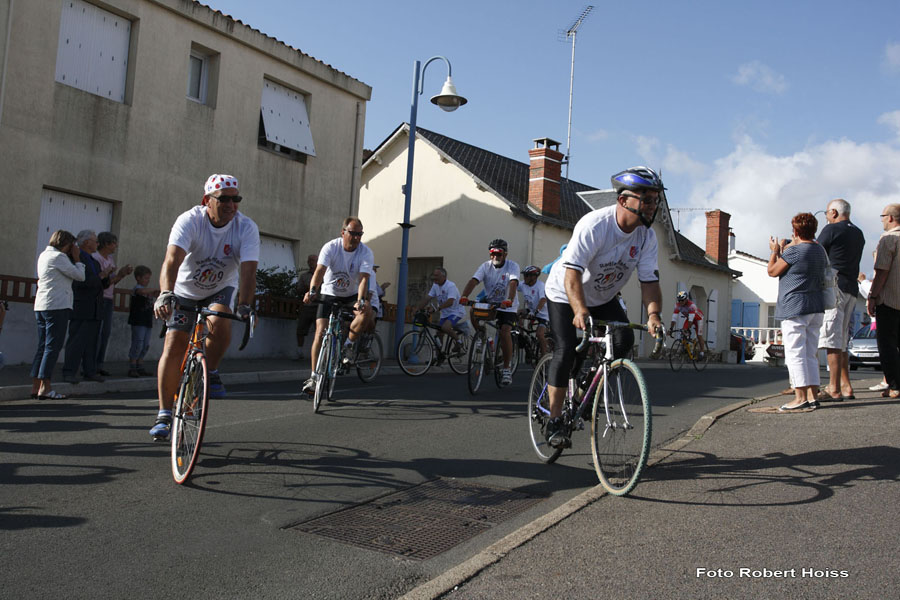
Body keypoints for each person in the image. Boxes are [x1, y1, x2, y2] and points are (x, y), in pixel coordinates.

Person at [543, 166, 665, 448]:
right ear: (624, 200)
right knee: (565, 351)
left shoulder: (647, 236)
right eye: (646, 200)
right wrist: (579, 310)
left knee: (624, 341)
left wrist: (653, 314)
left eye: (655, 200)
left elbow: (649, 281)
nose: (652, 207)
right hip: (565, 293)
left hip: (602, 296)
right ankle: (555, 419)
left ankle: (585, 392)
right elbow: (572, 273)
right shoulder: (595, 225)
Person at [150, 174, 259, 440]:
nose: (231, 205)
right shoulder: (189, 221)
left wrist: (244, 304)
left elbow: (248, 271)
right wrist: (166, 292)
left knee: (222, 315)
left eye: (236, 199)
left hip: (221, 288)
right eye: (224, 199)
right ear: (206, 201)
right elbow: (172, 260)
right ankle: (164, 413)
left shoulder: (245, 227)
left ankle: (210, 370)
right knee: (175, 343)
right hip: (186, 290)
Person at [301, 217, 375, 395]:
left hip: (350, 295)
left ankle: (348, 345)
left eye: (360, 234)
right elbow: (319, 271)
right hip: (329, 293)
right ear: (343, 232)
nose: (356, 237)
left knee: (366, 312)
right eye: (353, 233)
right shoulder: (331, 247)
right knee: (320, 332)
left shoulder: (365, 252)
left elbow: (364, 278)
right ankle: (313, 377)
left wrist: (361, 300)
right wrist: (312, 291)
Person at [767, 213, 829, 411]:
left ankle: (800, 396)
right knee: (811, 353)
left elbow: (772, 271)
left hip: (794, 306)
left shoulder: (794, 251)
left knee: (795, 354)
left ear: (795, 230)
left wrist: (775, 251)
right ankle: (813, 395)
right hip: (816, 306)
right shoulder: (820, 250)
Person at [815, 199, 865, 402]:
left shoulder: (831, 229)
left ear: (834, 212)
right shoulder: (858, 233)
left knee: (832, 340)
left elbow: (816, 253)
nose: (826, 217)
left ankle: (833, 388)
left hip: (834, 287)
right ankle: (846, 385)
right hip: (852, 287)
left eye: (826, 213)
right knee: (842, 340)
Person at [30, 231, 86, 398]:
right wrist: (77, 259)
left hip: (41, 305)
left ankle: (35, 386)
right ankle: (45, 388)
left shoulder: (44, 255)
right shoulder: (59, 257)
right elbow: (80, 276)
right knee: (52, 347)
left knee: (43, 346)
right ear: (66, 244)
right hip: (57, 306)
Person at [459, 239, 520, 386]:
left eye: (498, 253)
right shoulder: (485, 266)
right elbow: (474, 281)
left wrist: (510, 299)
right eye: (492, 253)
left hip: (508, 306)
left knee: (505, 331)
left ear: (505, 254)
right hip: (491, 304)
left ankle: (506, 368)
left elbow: (513, 283)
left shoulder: (513, 266)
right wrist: (464, 296)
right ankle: (481, 335)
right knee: (473, 310)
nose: (495, 257)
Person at [62, 230, 115, 384]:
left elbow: (101, 284)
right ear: (86, 242)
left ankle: (89, 370)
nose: (97, 244)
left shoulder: (94, 261)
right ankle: (69, 371)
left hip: (95, 307)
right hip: (82, 306)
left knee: (92, 341)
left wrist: (108, 276)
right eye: (95, 241)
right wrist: (101, 276)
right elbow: (81, 281)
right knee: (77, 340)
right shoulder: (77, 259)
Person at [867, 204, 900, 399]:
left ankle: (895, 385)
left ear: (890, 218)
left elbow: (882, 270)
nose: (881, 220)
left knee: (887, 344)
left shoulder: (888, 239)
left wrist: (872, 296)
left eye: (882, 216)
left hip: (889, 299)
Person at [92, 232, 133, 376]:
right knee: (96, 333)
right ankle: (92, 365)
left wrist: (121, 274)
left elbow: (112, 281)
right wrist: (119, 274)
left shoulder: (110, 259)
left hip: (108, 298)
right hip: (99, 299)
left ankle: (99, 364)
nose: (116, 246)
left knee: (105, 333)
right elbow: (102, 281)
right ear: (107, 244)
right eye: (114, 243)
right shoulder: (96, 258)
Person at [415, 267, 468, 353]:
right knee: (439, 333)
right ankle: (439, 356)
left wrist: (437, 308)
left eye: (437, 276)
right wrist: (417, 308)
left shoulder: (451, 286)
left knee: (445, 327)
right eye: (434, 275)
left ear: (444, 277)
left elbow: (450, 301)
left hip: (456, 311)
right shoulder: (435, 285)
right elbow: (427, 298)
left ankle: (459, 342)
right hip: (445, 313)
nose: (434, 278)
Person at [127, 266, 157, 377]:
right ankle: (132, 366)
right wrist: (154, 290)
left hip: (147, 320)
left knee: (145, 344)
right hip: (138, 320)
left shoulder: (148, 292)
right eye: (145, 278)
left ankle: (140, 365)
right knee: (137, 343)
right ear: (138, 278)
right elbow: (141, 291)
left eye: (148, 278)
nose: (147, 281)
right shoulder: (137, 289)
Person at [518, 265, 550, 356]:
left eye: (526, 275)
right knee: (517, 314)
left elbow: (543, 300)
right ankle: (522, 337)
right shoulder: (523, 284)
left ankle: (544, 357)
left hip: (543, 314)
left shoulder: (540, 285)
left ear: (533, 277)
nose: (524, 278)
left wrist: (536, 312)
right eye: (524, 275)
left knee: (540, 334)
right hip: (531, 310)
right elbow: (512, 285)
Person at [669, 290, 706, 357]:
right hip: (689, 318)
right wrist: (671, 328)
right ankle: (687, 348)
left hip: (698, 319)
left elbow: (691, 320)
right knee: (683, 331)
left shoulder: (691, 305)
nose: (680, 302)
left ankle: (702, 352)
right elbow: (674, 318)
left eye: (682, 300)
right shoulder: (677, 306)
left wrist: (687, 329)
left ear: (686, 299)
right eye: (679, 300)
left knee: (699, 335)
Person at [295, 253, 318, 360]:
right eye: (309, 260)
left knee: (319, 331)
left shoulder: (322, 274)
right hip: (307, 306)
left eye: (313, 260)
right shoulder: (304, 276)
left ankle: (317, 354)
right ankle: (300, 352)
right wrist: (306, 289)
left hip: (319, 306)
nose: (310, 262)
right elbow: (298, 289)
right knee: (301, 329)